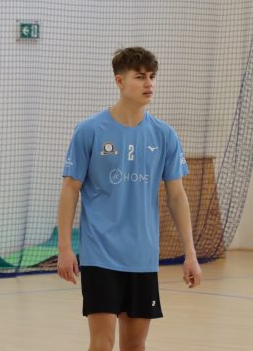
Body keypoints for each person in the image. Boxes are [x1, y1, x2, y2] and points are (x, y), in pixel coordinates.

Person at [56, 46, 202, 351]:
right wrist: (65, 248)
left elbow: (177, 196)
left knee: (135, 345)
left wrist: (190, 253)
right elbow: (70, 189)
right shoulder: (89, 130)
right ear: (120, 81)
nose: (149, 83)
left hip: (142, 256)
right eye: (140, 77)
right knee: (102, 344)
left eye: (152, 76)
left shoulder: (165, 135)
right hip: (100, 255)